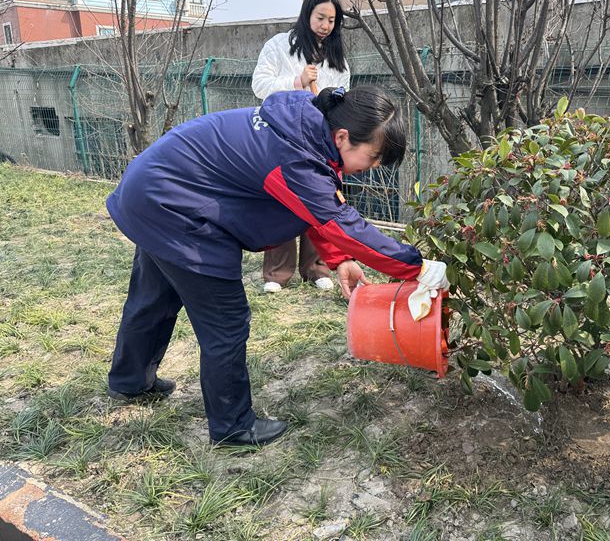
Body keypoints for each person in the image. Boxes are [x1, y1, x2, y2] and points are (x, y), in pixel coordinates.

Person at [105, 86, 449, 447]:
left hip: (151, 189)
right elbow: (339, 222)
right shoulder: (295, 156)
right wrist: (417, 267)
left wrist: (339, 258)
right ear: (343, 137)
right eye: (374, 156)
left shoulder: (303, 129)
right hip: (175, 208)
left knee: (153, 298)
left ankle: (130, 381)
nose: (373, 167)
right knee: (226, 322)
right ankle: (233, 426)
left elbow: (312, 208)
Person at [251, 0, 350, 294]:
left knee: (319, 198)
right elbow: (259, 85)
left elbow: (344, 96)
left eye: (331, 20)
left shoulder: (337, 58)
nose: (325, 25)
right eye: (321, 17)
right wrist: (297, 82)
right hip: (282, 135)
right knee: (282, 199)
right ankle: (277, 272)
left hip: (319, 140)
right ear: (307, 14)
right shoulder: (279, 45)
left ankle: (316, 267)